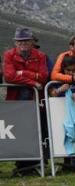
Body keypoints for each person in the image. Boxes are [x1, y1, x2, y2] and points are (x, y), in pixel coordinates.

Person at [3, 27, 49, 175]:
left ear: (31, 42)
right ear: (15, 43)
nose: (23, 44)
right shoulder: (9, 55)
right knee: (19, 131)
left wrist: (22, 73)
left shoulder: (40, 56)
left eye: (26, 41)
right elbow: (9, 76)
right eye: (20, 41)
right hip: (16, 101)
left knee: (35, 131)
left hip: (35, 100)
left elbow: (43, 76)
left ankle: (33, 165)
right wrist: (32, 81)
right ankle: (21, 165)